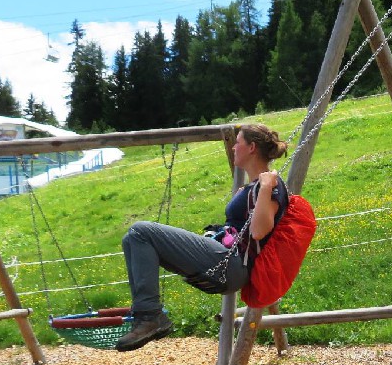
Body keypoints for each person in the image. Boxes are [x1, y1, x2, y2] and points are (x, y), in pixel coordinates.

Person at [116, 124, 289, 352]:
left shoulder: (272, 186)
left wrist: (265, 188)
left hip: (234, 264)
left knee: (141, 231)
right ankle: (146, 313)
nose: (234, 147)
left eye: (238, 142)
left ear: (251, 148)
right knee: (132, 239)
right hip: (227, 258)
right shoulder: (254, 187)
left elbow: (258, 231)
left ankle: (150, 316)